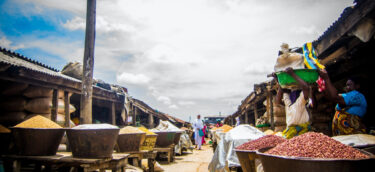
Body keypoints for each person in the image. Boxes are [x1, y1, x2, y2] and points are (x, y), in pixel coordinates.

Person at [318, 69, 367, 136]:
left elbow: (334, 97)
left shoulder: (358, 95)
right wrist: (322, 84)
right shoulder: (346, 96)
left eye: (349, 85)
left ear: (357, 86)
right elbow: (330, 97)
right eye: (346, 85)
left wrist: (326, 78)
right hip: (343, 136)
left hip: (353, 136)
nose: (347, 87)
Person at [275, 67, 315, 139]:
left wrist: (292, 74)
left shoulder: (300, 103)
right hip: (290, 132)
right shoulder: (288, 103)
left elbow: (305, 87)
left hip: (302, 133)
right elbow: (278, 101)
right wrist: (279, 80)